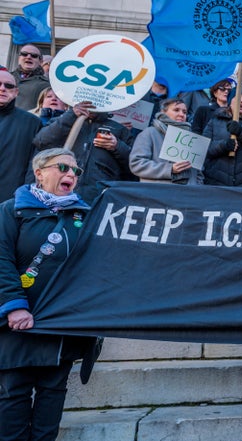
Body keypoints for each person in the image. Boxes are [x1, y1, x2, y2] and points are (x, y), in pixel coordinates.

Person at [0, 148, 97, 441]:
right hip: (17, 323)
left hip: (61, 324)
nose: (71, 175)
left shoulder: (86, 214)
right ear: (39, 173)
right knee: (13, 394)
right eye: (63, 168)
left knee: (52, 393)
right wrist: (14, 306)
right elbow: (1, 259)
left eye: (76, 171)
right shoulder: (11, 210)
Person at [32, 100, 135, 203]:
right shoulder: (63, 120)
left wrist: (117, 146)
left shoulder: (119, 129)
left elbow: (134, 166)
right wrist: (72, 115)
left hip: (99, 198)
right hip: (59, 194)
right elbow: (41, 141)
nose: (91, 104)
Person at [129, 98, 203, 185]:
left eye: (184, 112)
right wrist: (170, 169)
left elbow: (198, 173)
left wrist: (196, 186)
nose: (181, 114)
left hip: (187, 194)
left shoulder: (191, 139)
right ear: (163, 112)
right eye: (176, 110)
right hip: (159, 194)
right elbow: (137, 164)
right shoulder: (149, 133)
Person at [203, 89, 242, 187]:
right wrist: (224, 145)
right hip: (215, 181)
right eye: (238, 97)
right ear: (230, 102)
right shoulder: (214, 122)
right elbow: (204, 148)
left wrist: (241, 133)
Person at [0, 70, 42, 202]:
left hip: (8, 201)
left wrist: (23, 195)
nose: (2, 88)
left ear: (16, 92)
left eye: (9, 86)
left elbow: (34, 165)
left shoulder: (32, 122)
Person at [10, 44, 50, 111]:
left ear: (40, 61)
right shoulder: (5, 79)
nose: (28, 57)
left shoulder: (47, 85)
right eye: (24, 54)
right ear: (19, 58)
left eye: (34, 56)